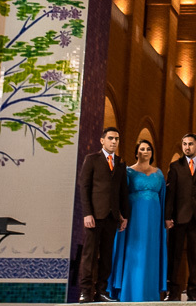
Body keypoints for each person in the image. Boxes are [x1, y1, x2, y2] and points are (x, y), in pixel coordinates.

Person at [106, 139, 168, 302]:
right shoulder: (128, 172)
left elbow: (163, 198)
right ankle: (130, 291)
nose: (145, 151)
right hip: (134, 218)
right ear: (136, 152)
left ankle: (149, 293)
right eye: (142, 149)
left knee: (151, 253)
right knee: (134, 251)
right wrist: (121, 215)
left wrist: (165, 220)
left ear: (152, 153)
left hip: (154, 220)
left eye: (148, 149)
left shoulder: (159, 173)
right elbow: (121, 194)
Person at [78, 127, 130, 303]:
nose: (114, 141)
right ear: (102, 140)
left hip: (112, 217)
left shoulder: (120, 163)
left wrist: (124, 215)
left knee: (107, 256)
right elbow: (84, 188)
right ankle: (85, 291)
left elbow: (123, 191)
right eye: (110, 138)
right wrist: (87, 213)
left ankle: (101, 291)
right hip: (94, 216)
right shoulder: (92, 159)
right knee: (90, 255)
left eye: (117, 139)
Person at [164, 133, 196, 301]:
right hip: (178, 218)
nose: (187, 147)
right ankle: (173, 293)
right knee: (174, 256)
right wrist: (167, 216)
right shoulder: (175, 166)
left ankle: (192, 292)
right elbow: (170, 194)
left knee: (195, 257)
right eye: (184, 144)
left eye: (190, 144)